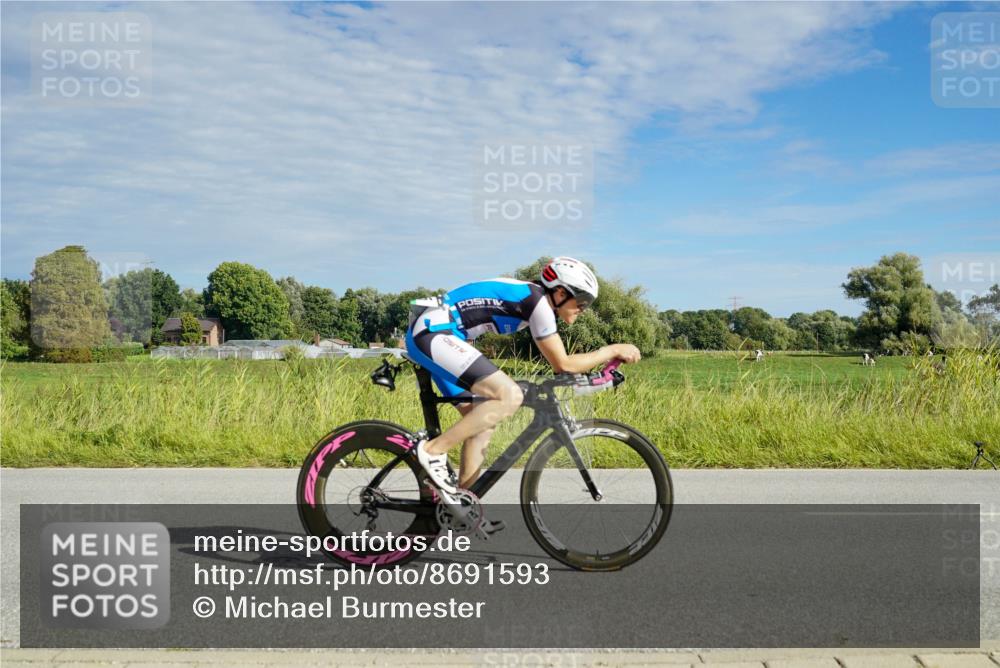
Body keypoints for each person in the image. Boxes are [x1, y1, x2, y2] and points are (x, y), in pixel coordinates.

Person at [405, 257, 641, 512]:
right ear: (560, 293)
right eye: (581, 301)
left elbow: (561, 365)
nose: (583, 309)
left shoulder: (535, 299)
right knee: (509, 396)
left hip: (442, 333)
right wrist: (612, 350)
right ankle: (431, 451)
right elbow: (563, 364)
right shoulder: (539, 303)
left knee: (481, 419)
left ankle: (460, 507)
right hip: (433, 332)